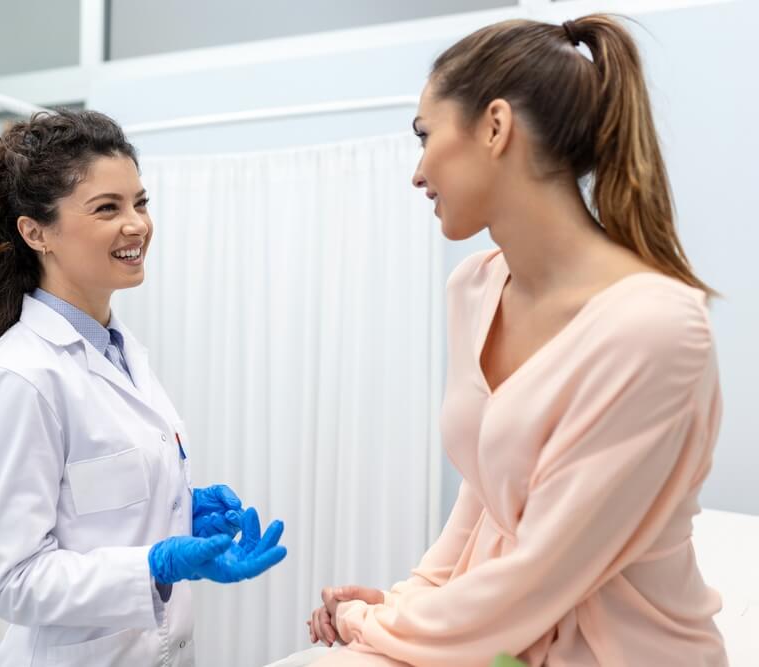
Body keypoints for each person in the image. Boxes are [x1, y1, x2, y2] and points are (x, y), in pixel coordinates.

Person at [306, 14, 727, 666]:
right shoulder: (473, 289)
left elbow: (542, 571)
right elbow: (482, 504)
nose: (418, 173)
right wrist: (409, 600)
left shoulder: (657, 327)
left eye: (425, 136)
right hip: (510, 642)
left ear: (496, 127)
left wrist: (371, 619)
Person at [0, 109, 287, 667]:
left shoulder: (121, 352)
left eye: (140, 202)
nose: (137, 225)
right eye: (107, 208)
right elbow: (15, 582)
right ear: (35, 232)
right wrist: (156, 563)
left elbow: (96, 512)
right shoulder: (19, 378)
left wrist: (177, 510)